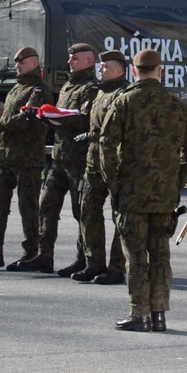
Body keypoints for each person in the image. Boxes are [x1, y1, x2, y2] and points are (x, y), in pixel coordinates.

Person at [100, 48, 187, 332]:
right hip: (165, 195)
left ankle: (139, 313)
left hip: (131, 193)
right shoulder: (175, 104)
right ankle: (159, 315)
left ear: (134, 71)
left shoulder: (123, 103)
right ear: (160, 70)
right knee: (160, 256)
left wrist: (113, 184)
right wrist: (177, 180)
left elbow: (105, 147)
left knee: (135, 257)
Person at [17, 43, 99, 276]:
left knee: (80, 211)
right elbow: (60, 120)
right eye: (69, 58)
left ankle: (83, 259)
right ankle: (44, 255)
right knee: (46, 206)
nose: (69, 63)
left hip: (78, 159)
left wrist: (57, 116)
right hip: (59, 158)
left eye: (74, 59)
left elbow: (84, 121)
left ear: (88, 61)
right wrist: (43, 116)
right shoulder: (66, 87)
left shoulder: (90, 89)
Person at [0, 47, 52, 270]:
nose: (18, 66)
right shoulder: (17, 87)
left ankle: (30, 252)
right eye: (17, 63)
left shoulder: (39, 89)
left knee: (28, 206)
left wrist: (0, 126)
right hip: (6, 157)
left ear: (34, 63)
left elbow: (28, 117)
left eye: (22, 63)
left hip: (27, 158)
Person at [73, 49, 130, 284]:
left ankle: (116, 267)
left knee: (120, 218)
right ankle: (92, 263)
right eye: (100, 66)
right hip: (93, 163)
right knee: (87, 211)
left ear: (118, 70)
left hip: (116, 164)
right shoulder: (99, 93)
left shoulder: (124, 93)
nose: (100, 70)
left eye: (105, 67)